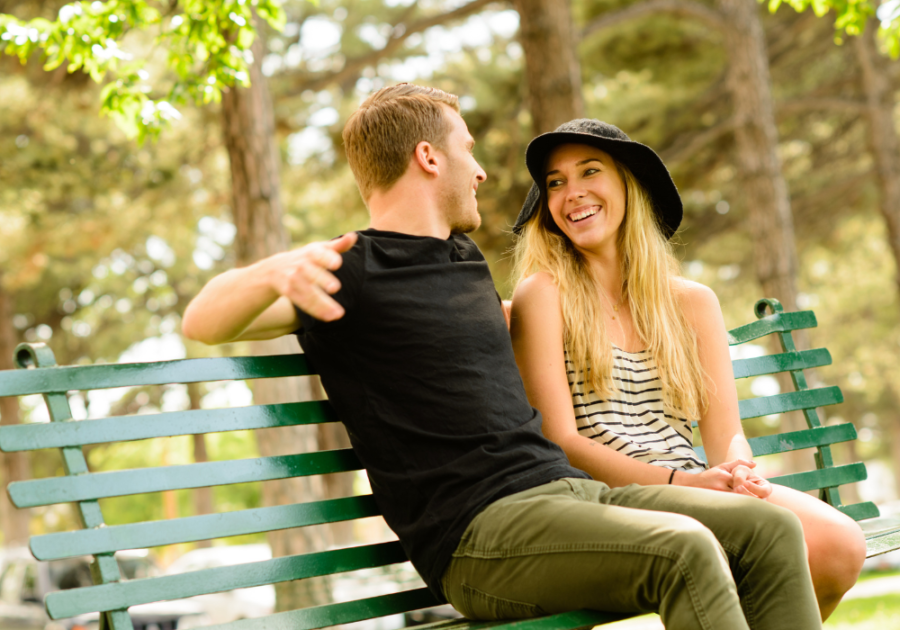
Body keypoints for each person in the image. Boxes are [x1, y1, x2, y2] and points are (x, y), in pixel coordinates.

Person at [182, 84, 823, 630]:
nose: (482, 170)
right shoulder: (344, 270)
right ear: (428, 157)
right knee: (684, 550)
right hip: (480, 538)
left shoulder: (463, 262)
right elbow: (202, 320)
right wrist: (277, 271)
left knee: (766, 529)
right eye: (467, 148)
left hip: (567, 497)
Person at [508, 118, 866, 621]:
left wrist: (737, 469)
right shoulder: (544, 295)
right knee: (760, 546)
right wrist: (680, 482)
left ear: (629, 186)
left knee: (840, 544)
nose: (573, 193)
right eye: (556, 182)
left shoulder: (692, 303)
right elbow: (562, 440)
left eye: (591, 172)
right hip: (608, 496)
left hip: (693, 481)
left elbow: (726, 434)